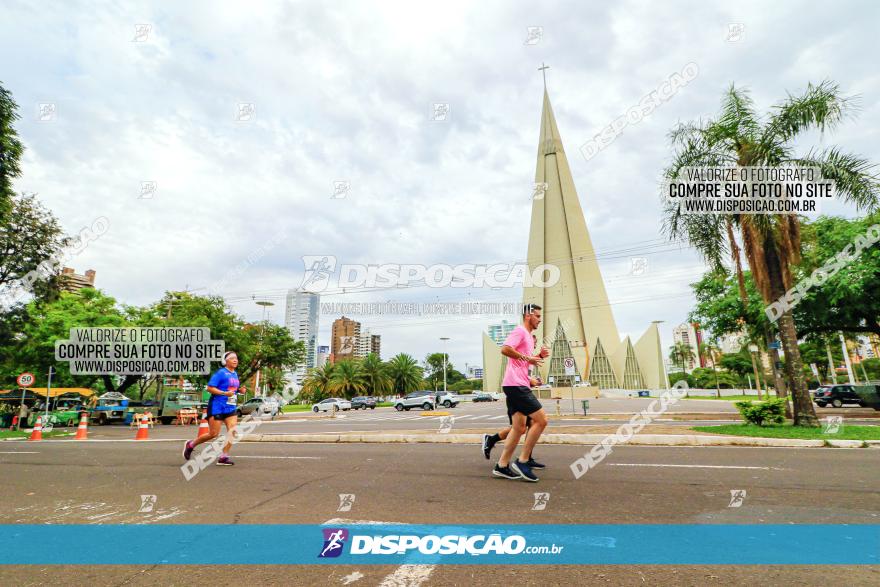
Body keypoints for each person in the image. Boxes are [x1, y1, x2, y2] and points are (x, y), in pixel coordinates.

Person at [491, 303, 550, 482]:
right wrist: (529, 357)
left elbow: (522, 362)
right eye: (538, 316)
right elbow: (505, 349)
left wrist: (537, 357)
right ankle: (523, 461)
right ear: (528, 316)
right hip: (516, 385)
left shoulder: (528, 336)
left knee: (519, 428)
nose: (540, 320)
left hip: (516, 383)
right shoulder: (520, 331)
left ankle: (501, 465)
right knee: (541, 420)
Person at [481, 335, 544, 466]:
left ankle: (523, 458)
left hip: (522, 392)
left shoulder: (528, 356)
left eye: (534, 342)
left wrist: (540, 358)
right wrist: (530, 380)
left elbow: (525, 373)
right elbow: (517, 375)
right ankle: (506, 455)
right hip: (516, 393)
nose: (533, 344)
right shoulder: (519, 356)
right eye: (531, 341)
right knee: (522, 427)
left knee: (526, 426)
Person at [183, 351, 244, 466]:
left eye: (236, 358)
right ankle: (191, 444)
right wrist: (224, 393)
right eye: (232, 358)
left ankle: (223, 457)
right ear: (225, 361)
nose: (235, 360)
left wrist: (239, 390)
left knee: (233, 431)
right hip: (217, 406)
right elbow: (210, 388)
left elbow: (232, 389)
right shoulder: (221, 373)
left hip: (230, 407)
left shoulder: (235, 374)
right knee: (213, 433)